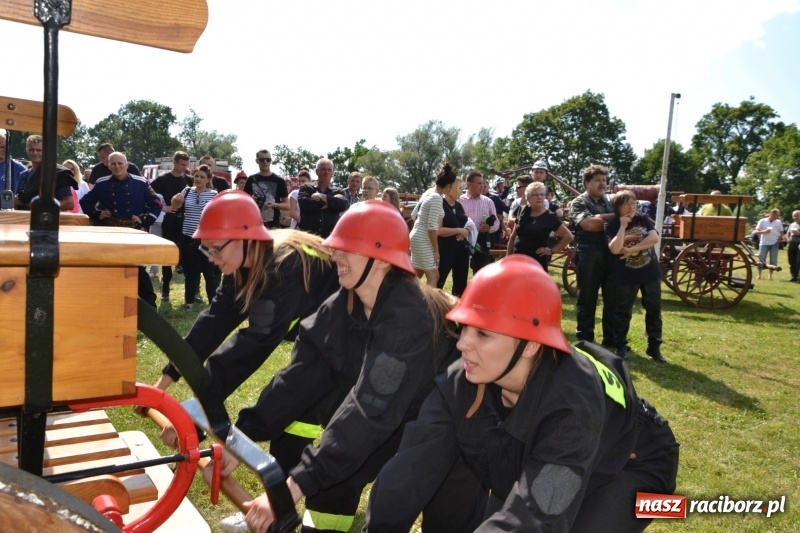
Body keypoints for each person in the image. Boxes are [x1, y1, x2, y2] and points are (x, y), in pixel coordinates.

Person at [365, 255, 679, 532]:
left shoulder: (571, 404)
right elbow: (409, 470)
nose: (462, 344)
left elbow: (537, 513)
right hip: (544, 457)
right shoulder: (463, 380)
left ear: (530, 345)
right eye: (464, 328)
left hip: (634, 462)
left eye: (483, 333)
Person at [219, 201, 460, 533]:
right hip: (395, 411)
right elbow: (299, 377)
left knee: (395, 502)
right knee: (334, 479)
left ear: (381, 260)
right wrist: (240, 439)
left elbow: (369, 411)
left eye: (347, 248)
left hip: (447, 421)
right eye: (336, 247)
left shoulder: (409, 319)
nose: (335, 255)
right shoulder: (346, 302)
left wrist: (291, 488)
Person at [150, 190, 340, 450]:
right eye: (207, 249)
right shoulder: (241, 262)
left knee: (302, 411)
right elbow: (213, 324)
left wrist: (196, 413)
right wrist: (162, 384)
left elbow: (251, 346)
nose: (212, 258)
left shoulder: (283, 267)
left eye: (216, 249)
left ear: (245, 239)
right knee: (292, 424)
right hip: (317, 326)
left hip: (345, 334)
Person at [79, 152, 161, 307]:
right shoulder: (102, 183)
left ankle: (150, 306)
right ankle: (110, 304)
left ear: (126, 165)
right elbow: (85, 202)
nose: (117, 166)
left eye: (120, 163)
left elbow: (156, 203)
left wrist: (145, 219)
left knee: (138, 269)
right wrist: (98, 214)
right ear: (108, 166)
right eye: (113, 164)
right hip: (111, 231)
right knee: (111, 268)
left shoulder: (141, 182)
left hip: (134, 231)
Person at [606, 191, 666, 362]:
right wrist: (622, 227)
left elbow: (654, 237)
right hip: (626, 275)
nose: (632, 207)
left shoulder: (642, 218)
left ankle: (654, 347)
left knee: (654, 310)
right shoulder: (612, 225)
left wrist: (632, 249)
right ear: (618, 207)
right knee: (622, 311)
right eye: (627, 204)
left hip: (649, 272)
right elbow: (615, 249)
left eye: (633, 203)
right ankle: (621, 345)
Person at [570, 164, 616, 346]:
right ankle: (585, 338)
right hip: (588, 253)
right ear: (586, 183)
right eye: (597, 180)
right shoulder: (579, 202)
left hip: (611, 254)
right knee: (587, 298)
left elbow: (625, 221)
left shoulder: (610, 201)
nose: (602, 183)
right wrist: (615, 218)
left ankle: (611, 339)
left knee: (612, 299)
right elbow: (588, 225)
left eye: (604, 180)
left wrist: (600, 219)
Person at [170, 164, 219, 310]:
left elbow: (218, 215)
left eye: (202, 177)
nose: (198, 179)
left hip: (206, 240)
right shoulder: (186, 191)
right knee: (190, 272)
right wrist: (175, 200)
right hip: (188, 237)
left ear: (208, 179)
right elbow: (174, 206)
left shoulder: (214, 195)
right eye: (196, 176)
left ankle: (213, 305)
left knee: (209, 273)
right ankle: (189, 303)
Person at [150, 151, 194, 300]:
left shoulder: (189, 180)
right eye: (182, 164)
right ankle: (165, 290)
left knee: (188, 255)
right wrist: (163, 208)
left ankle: (192, 292)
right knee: (167, 255)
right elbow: (149, 195)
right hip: (169, 221)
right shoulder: (163, 180)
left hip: (186, 221)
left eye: (186, 165)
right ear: (174, 163)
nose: (184, 168)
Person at [507, 181, 573, 270]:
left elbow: (568, 236)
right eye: (535, 195)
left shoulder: (550, 216)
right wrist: (507, 258)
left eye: (542, 194)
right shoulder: (522, 210)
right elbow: (513, 237)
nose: (539, 197)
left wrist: (551, 250)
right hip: (517, 260)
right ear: (528, 197)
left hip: (536, 263)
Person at [410, 164, 454, 287]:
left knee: (417, 274)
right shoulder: (437, 198)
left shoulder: (428, 192)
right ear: (449, 186)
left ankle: (408, 296)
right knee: (434, 276)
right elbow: (431, 227)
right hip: (423, 239)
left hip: (415, 236)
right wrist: (436, 251)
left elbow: (413, 215)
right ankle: (428, 301)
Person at [14, 134, 75, 211]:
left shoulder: (58, 173)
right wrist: (16, 201)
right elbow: (17, 205)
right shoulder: (23, 175)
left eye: (39, 150)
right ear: (26, 150)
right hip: (25, 216)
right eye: (31, 150)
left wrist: (43, 205)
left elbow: (69, 203)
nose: (35, 153)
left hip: (49, 217)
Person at [297, 158, 348, 237]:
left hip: (329, 239)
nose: (326, 172)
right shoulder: (306, 188)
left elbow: (343, 205)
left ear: (332, 172)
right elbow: (305, 204)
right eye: (323, 169)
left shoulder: (338, 191)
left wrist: (321, 196)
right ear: (317, 171)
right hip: (308, 237)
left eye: (329, 170)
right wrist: (331, 202)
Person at [460, 171, 499, 274]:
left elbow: (496, 222)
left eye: (483, 183)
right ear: (469, 185)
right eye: (479, 183)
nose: (482, 186)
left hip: (481, 242)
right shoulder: (460, 201)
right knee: (460, 273)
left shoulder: (488, 201)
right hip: (463, 242)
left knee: (481, 272)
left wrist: (489, 228)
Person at [438, 176, 470, 297]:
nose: (462, 191)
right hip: (444, 249)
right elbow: (438, 230)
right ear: (451, 188)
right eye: (460, 188)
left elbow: (466, 223)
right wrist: (458, 230)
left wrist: (466, 231)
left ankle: (458, 305)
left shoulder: (459, 206)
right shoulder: (440, 204)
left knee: (460, 285)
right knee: (439, 281)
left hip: (461, 250)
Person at [243, 149, 289, 229]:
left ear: (271, 161)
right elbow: (243, 202)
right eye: (262, 159)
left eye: (268, 159)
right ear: (257, 161)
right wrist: (251, 200)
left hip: (273, 225)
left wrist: (274, 205)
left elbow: (287, 206)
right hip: (254, 224)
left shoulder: (279, 180)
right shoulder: (251, 179)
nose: (265, 162)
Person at [754, 208, 783, 280]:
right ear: (772, 214)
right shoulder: (762, 221)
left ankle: (770, 275)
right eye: (777, 215)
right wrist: (764, 231)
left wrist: (778, 239)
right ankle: (759, 275)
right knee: (761, 259)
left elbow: (781, 232)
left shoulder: (778, 222)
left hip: (774, 243)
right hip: (764, 243)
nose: (778, 216)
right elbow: (756, 231)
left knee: (773, 259)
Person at [787, 210, 800, 282]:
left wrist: (799, 233)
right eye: (794, 216)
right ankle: (794, 276)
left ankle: (798, 276)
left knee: (798, 260)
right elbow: (788, 233)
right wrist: (788, 239)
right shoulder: (792, 225)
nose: (795, 217)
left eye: (797, 216)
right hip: (792, 244)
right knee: (791, 260)